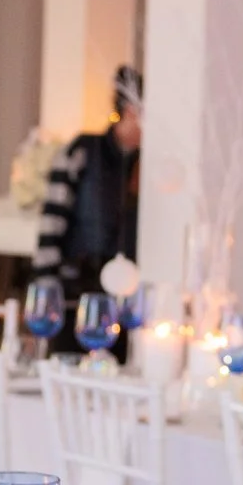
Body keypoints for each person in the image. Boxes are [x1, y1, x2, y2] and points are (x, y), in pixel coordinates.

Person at [34, 66, 143, 321]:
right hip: (75, 292)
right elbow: (51, 220)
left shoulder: (145, 168)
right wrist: (47, 288)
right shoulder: (83, 151)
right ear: (131, 111)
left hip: (124, 299)